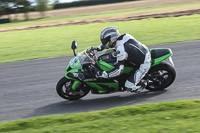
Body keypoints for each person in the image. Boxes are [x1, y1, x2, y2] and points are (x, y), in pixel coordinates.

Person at [93, 27, 151, 93]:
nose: (104, 42)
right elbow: (108, 44)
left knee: (128, 87)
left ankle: (144, 84)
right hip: (140, 52)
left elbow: (119, 70)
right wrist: (97, 49)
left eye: (105, 41)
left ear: (112, 39)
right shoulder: (123, 36)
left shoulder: (121, 49)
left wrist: (104, 74)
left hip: (143, 63)